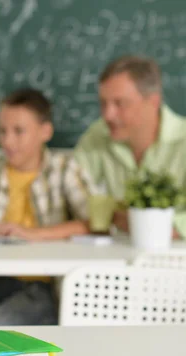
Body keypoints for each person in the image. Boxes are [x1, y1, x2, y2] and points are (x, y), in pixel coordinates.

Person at [0, 88, 94, 325]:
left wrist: (35, 234)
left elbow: (95, 223)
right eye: (2, 131)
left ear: (45, 131)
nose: (8, 141)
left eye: (19, 131)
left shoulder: (65, 169)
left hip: (40, 288)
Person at [74, 55, 186, 237]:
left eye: (120, 103)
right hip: (116, 254)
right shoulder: (98, 135)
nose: (108, 115)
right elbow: (70, 191)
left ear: (153, 102)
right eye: (103, 103)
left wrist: (142, 224)